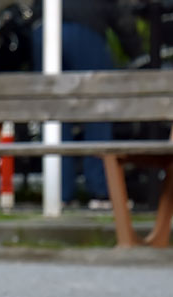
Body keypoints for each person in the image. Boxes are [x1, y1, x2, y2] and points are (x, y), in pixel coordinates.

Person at [30, 0, 143, 208]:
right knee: (98, 111)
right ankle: (99, 191)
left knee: (55, 114)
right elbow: (119, 15)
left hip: (44, 28)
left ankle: (60, 193)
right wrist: (138, 51)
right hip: (85, 27)